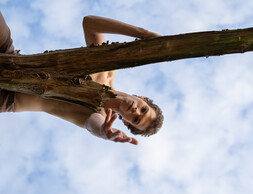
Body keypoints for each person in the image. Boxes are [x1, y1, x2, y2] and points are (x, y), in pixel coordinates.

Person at [0, 12, 163, 145]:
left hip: (6, 96)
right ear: (143, 99)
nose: (136, 111)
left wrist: (104, 133)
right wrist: (143, 34)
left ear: (126, 123)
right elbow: (89, 24)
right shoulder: (106, 70)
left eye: (136, 119)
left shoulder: (99, 114)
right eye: (143, 109)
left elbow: (94, 124)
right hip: (10, 58)